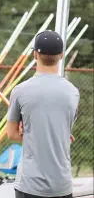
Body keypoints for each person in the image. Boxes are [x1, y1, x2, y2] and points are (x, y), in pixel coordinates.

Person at [6, 30, 80, 198]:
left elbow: (11, 134)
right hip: (62, 185)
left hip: (30, 186)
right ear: (61, 55)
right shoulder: (73, 93)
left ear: (35, 55)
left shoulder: (20, 91)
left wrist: (33, 136)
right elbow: (64, 132)